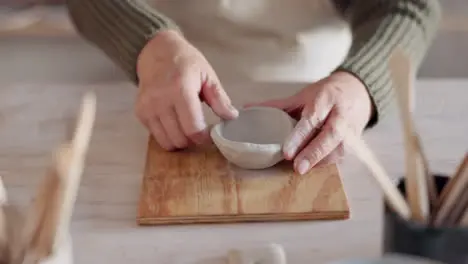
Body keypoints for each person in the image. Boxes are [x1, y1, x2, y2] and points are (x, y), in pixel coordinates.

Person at [64, 0, 441, 175]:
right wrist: (149, 45)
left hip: (311, 94)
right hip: (161, 91)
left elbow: (409, 6)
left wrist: (359, 84)